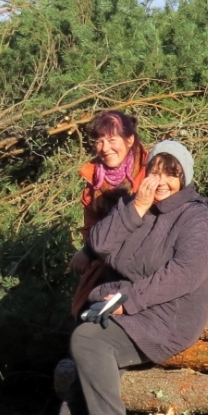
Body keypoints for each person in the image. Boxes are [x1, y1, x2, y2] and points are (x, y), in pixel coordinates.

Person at [40, 141, 208, 415]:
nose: (161, 180)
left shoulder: (195, 216)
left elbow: (185, 272)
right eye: (155, 171)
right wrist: (137, 206)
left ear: (185, 178)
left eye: (171, 173)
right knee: (85, 366)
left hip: (170, 315)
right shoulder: (133, 205)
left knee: (88, 340)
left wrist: (129, 299)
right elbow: (99, 244)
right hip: (124, 306)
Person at [68, 110, 149, 315]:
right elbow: (91, 229)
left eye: (112, 140)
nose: (104, 148)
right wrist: (88, 250)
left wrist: (91, 250)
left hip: (146, 261)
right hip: (106, 261)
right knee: (86, 310)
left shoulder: (151, 170)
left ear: (129, 139)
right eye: (99, 141)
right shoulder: (94, 179)